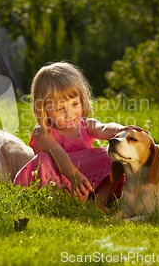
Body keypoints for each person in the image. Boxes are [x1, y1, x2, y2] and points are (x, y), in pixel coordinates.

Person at [14, 61, 145, 208]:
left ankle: (98, 204)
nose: (69, 114)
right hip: (57, 180)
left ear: (82, 100)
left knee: (114, 158)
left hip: (86, 180)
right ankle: (62, 203)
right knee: (43, 159)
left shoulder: (85, 125)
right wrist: (73, 175)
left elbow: (104, 128)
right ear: (44, 109)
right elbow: (57, 153)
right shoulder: (42, 131)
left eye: (75, 104)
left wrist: (122, 131)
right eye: (59, 108)